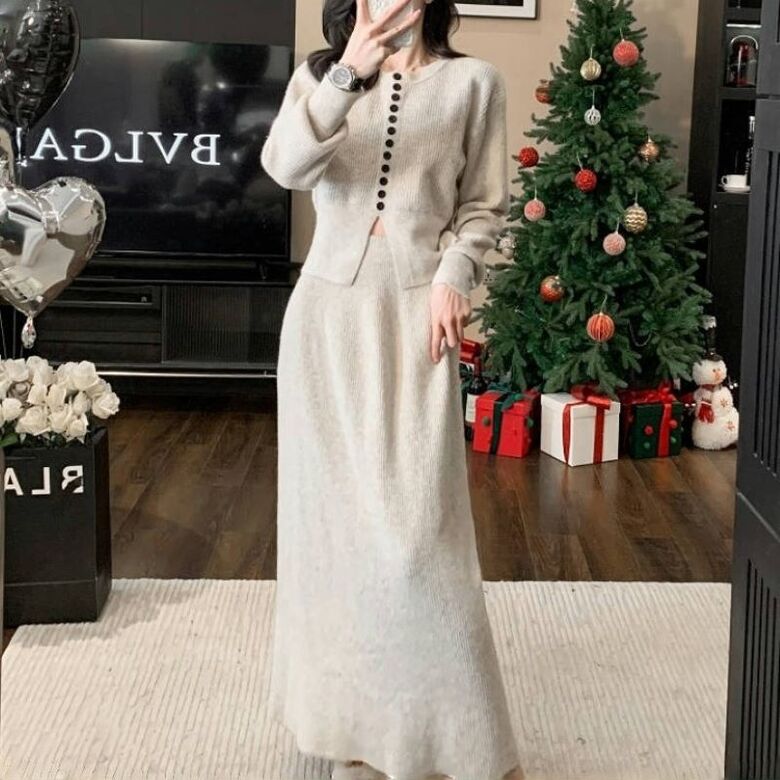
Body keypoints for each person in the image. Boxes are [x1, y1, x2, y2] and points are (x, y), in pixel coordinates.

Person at [260, 1, 524, 778]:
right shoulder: (319, 77)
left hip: (416, 316)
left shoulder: (475, 84)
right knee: (334, 539)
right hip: (326, 319)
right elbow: (284, 167)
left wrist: (454, 276)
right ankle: (353, 734)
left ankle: (461, 744)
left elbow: (483, 205)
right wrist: (349, 73)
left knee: (416, 537)